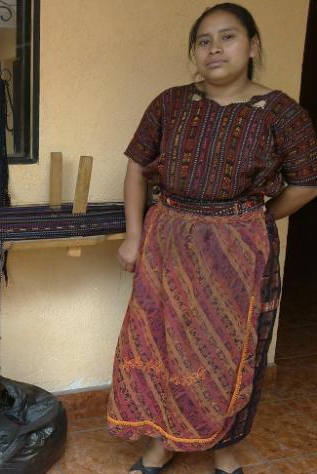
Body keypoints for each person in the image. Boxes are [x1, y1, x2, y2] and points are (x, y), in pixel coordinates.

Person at [105, 3, 317, 474]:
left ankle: (224, 448)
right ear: (194, 52)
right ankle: (161, 444)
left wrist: (254, 218)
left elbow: (306, 184)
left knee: (229, 350)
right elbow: (137, 168)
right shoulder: (169, 104)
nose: (215, 48)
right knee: (160, 341)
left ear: (253, 46)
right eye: (204, 41)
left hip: (238, 255)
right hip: (166, 244)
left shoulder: (283, 114)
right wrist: (134, 235)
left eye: (228, 37)